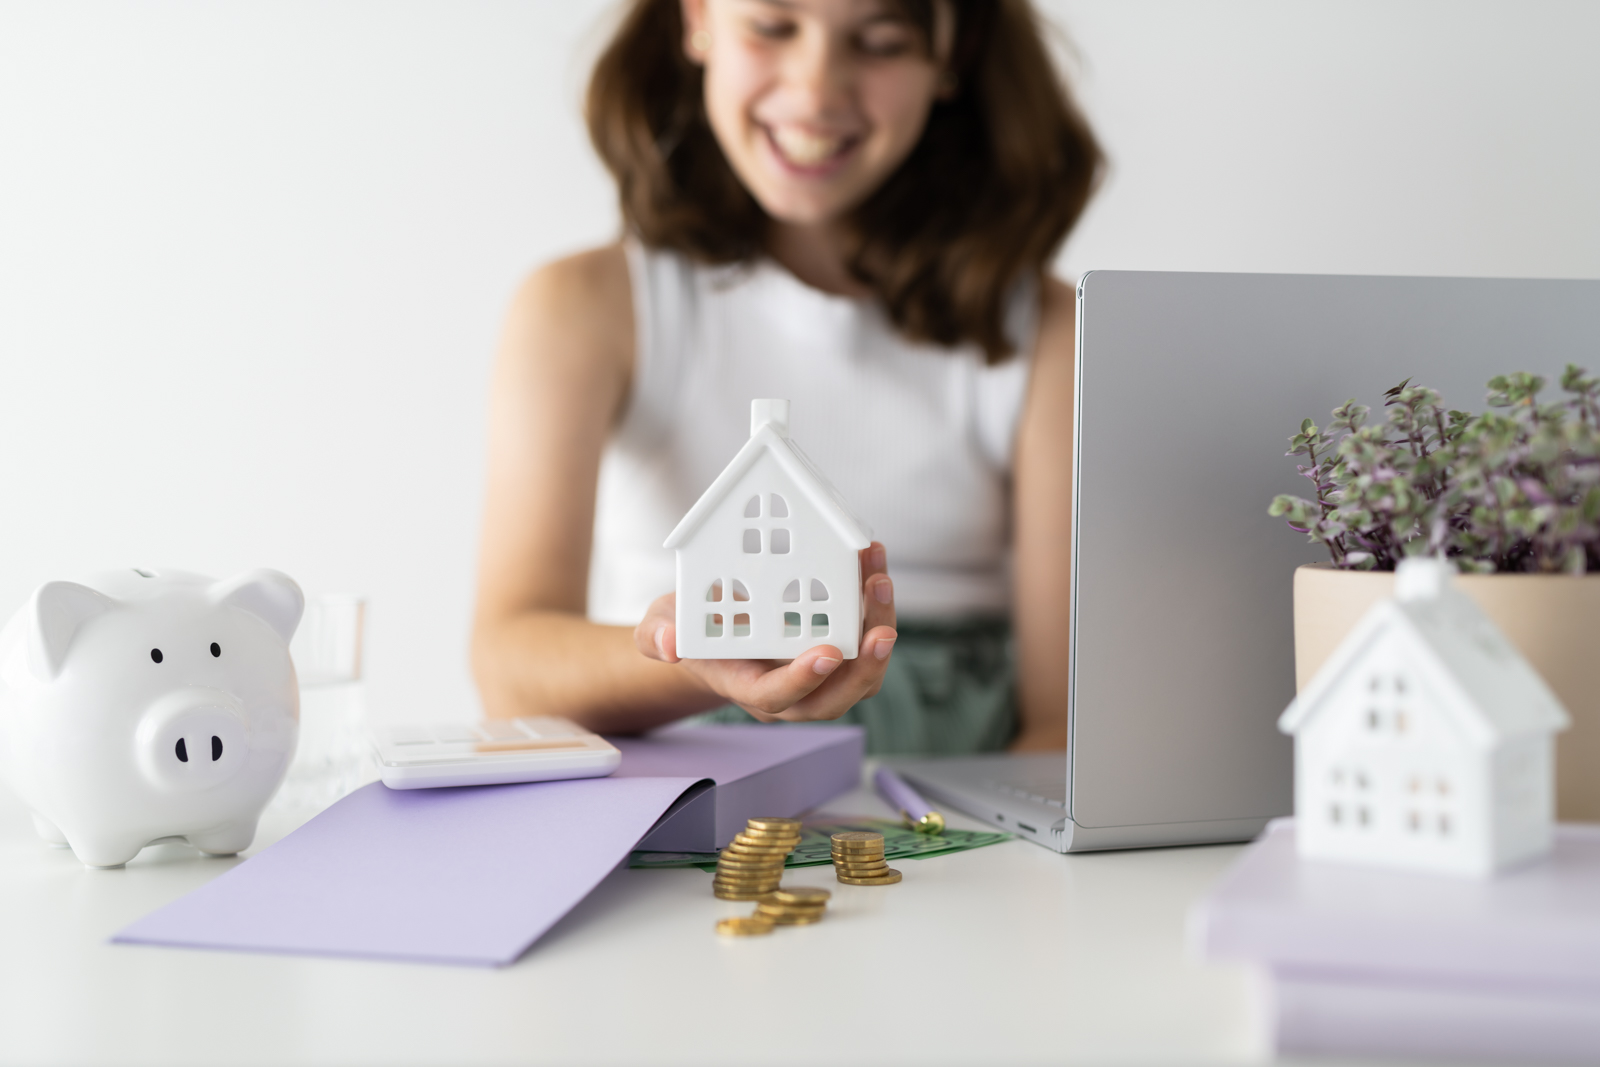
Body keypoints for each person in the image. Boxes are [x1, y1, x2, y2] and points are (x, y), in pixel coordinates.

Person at [471, 0, 1100, 754]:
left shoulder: (1053, 332)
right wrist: (707, 659)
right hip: (680, 788)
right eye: (771, 27)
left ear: (952, 55)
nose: (815, 90)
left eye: (881, 42)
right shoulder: (586, 307)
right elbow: (510, 669)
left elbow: (1059, 728)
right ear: (697, 18)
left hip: (957, 809)